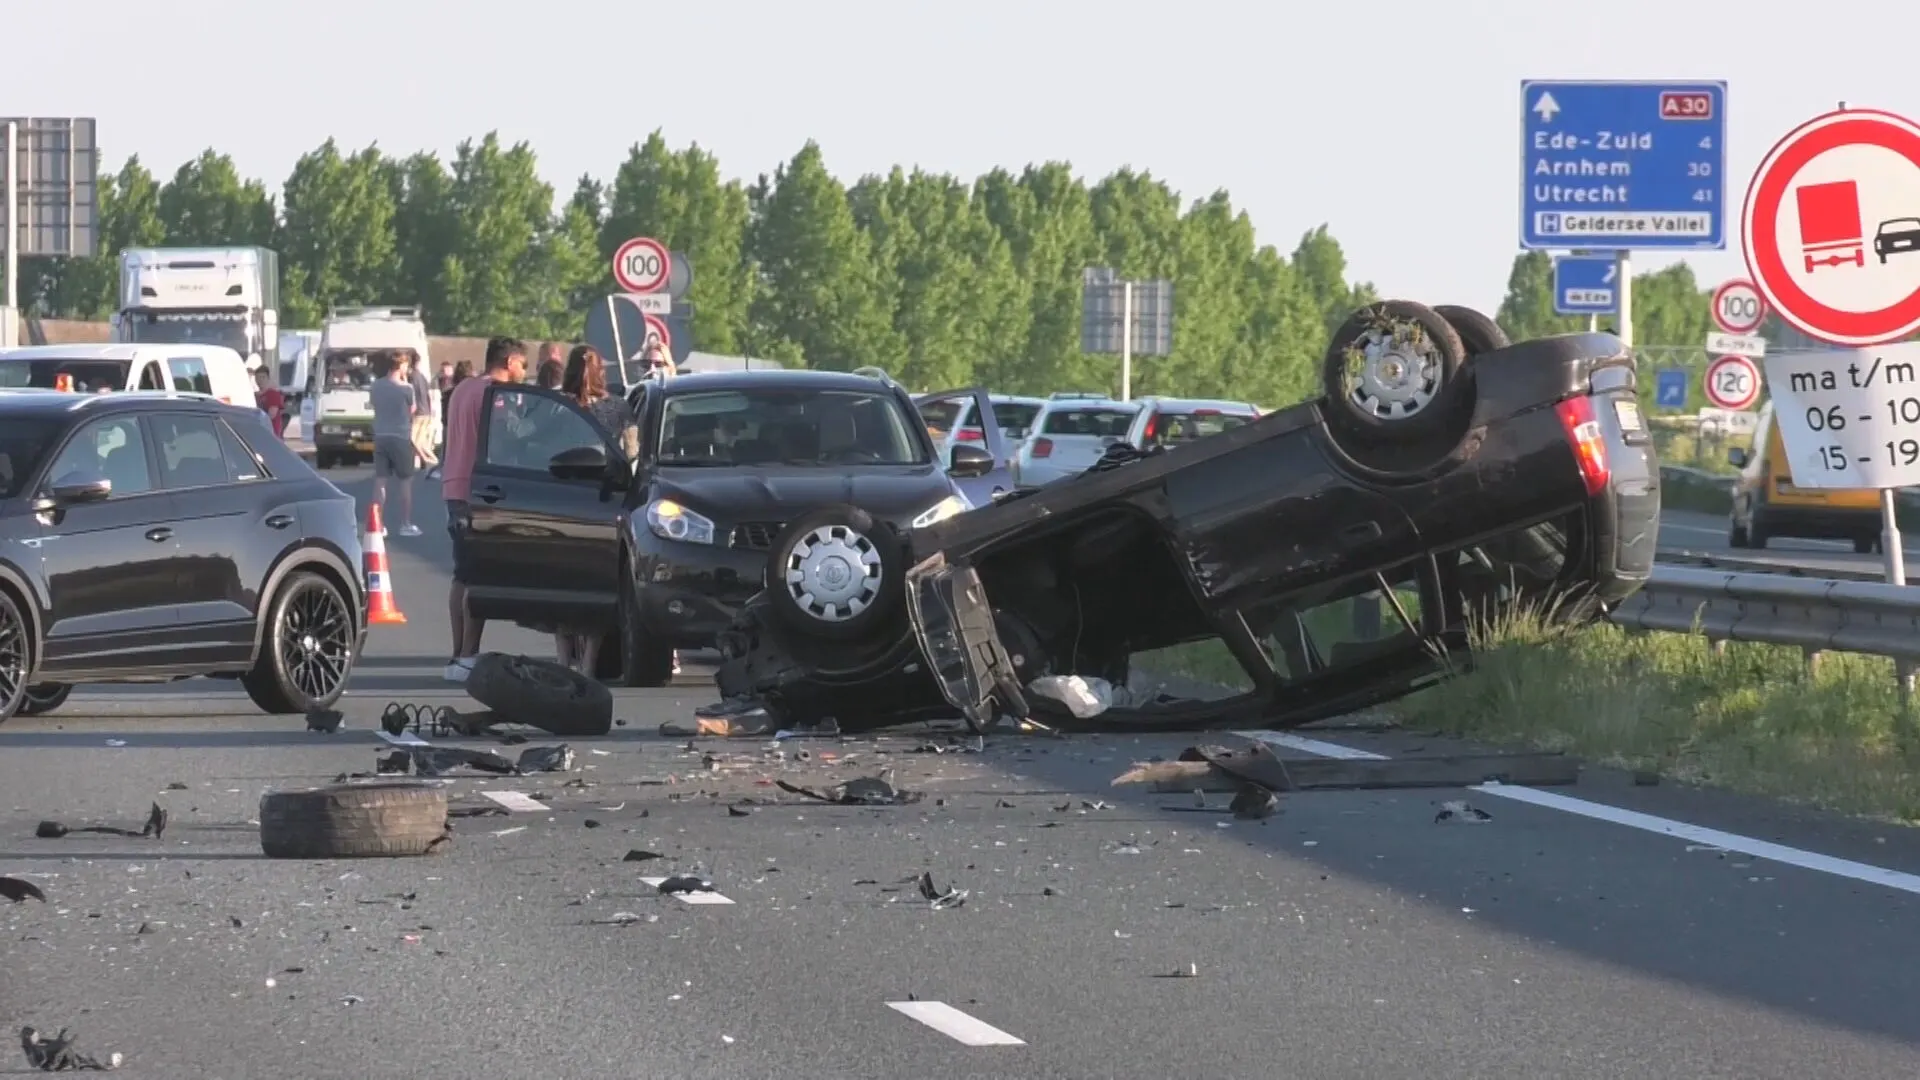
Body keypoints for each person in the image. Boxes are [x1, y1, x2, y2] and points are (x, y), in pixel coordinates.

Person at [548, 346, 640, 676]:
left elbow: (536, 446)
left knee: (563, 583)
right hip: (603, 501)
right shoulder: (617, 406)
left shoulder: (557, 407)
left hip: (562, 501)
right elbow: (633, 453)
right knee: (594, 584)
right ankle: (588, 664)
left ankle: (562, 661)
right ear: (602, 370)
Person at [441, 336, 527, 682]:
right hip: (479, 489)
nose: (524, 371)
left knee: (462, 574)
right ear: (508, 362)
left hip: (454, 484)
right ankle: (468, 656)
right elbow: (510, 436)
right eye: (522, 364)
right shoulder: (497, 394)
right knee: (477, 577)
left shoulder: (463, 388)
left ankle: (457, 652)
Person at [369, 350, 423, 538]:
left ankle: (378, 524)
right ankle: (405, 523)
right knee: (405, 482)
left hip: (381, 436)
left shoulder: (376, 386)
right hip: (400, 437)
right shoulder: (406, 388)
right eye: (406, 365)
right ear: (400, 365)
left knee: (380, 481)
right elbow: (412, 410)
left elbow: (374, 405)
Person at [254, 368, 287, 438]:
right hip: (260, 432)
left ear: (268, 378)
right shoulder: (256, 396)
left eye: (263, 377)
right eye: (257, 377)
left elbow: (272, 415)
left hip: (271, 433)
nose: (260, 380)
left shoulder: (272, 394)